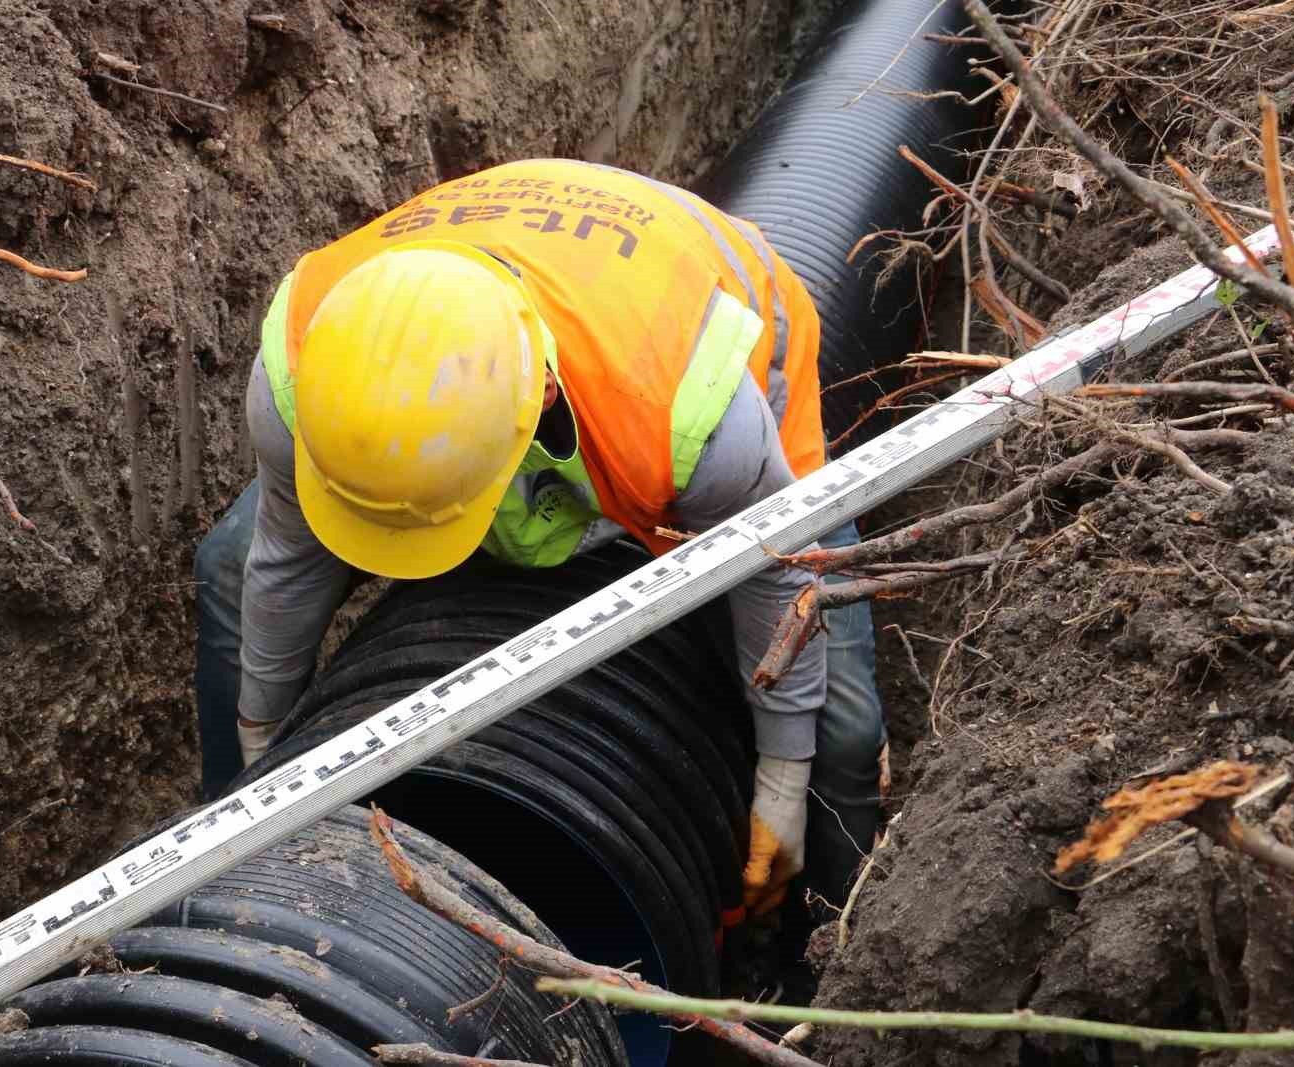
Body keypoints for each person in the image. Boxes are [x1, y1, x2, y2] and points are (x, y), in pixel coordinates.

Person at [192, 158, 885, 920]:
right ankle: (214, 852)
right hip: (454, 326)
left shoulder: (686, 412)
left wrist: (782, 787)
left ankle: (824, 939)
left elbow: (778, 579)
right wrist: (265, 762)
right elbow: (285, 564)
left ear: (540, 400)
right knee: (230, 567)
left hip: (700, 307)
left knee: (841, 730)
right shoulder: (300, 360)